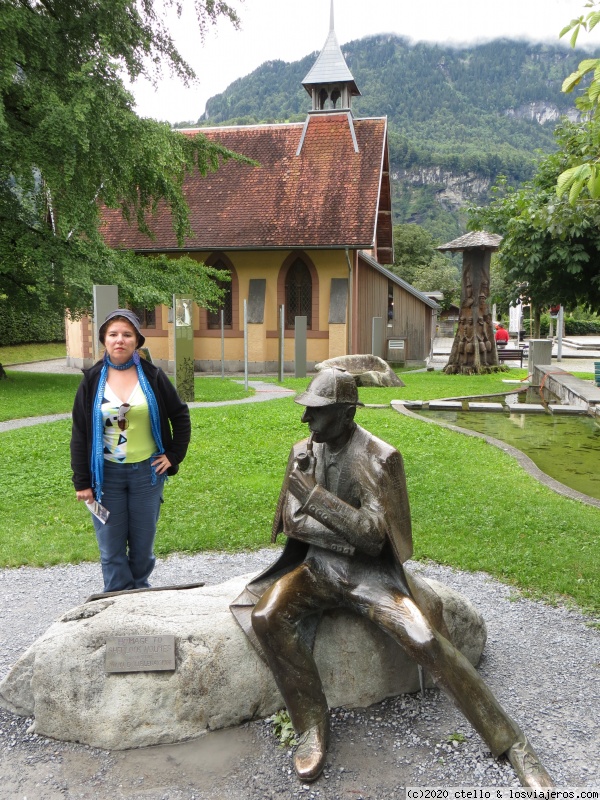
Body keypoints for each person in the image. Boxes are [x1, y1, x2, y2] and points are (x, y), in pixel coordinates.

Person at [231, 368, 553, 788]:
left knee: (424, 639)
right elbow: (291, 524)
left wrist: (314, 498)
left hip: (371, 578)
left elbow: (372, 538)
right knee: (267, 615)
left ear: (346, 413)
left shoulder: (380, 457)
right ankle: (311, 723)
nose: (305, 421)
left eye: (315, 412)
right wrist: (340, 529)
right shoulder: (303, 451)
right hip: (317, 569)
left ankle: (512, 744)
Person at [71, 309, 191, 593]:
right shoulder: (91, 379)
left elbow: (180, 415)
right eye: (113, 335)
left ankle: (139, 598)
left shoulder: (152, 376)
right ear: (104, 340)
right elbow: (80, 432)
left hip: (146, 475)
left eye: (127, 335)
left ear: (137, 340)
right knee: (111, 549)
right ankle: (116, 604)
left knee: (142, 548)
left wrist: (173, 455)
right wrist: (82, 482)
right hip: (106, 478)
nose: (120, 340)